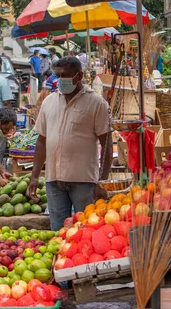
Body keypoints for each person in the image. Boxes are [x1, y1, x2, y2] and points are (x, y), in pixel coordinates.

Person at [27, 56, 112, 231]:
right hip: (53, 180)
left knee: (86, 229)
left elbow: (107, 144)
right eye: (57, 75)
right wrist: (34, 176)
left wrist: (102, 181)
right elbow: (42, 140)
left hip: (84, 181)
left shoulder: (96, 104)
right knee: (58, 231)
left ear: (79, 75)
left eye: (64, 75)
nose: (60, 80)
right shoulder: (49, 102)